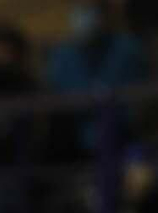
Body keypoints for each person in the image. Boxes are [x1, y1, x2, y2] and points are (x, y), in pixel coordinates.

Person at [45, 1, 149, 159]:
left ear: (105, 14)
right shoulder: (61, 56)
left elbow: (141, 105)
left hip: (124, 141)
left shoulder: (128, 50)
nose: (84, 17)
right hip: (72, 148)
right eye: (80, 10)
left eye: (90, 10)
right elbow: (55, 104)